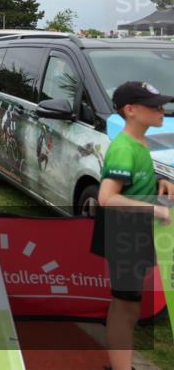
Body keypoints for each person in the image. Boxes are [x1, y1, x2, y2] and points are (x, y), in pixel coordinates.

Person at [92, 81, 174, 370]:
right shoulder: (124, 148)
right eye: (155, 106)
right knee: (125, 306)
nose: (162, 110)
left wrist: (159, 182)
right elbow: (106, 197)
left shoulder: (140, 143)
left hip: (134, 233)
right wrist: (155, 209)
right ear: (131, 110)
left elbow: (134, 181)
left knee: (129, 304)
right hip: (123, 233)